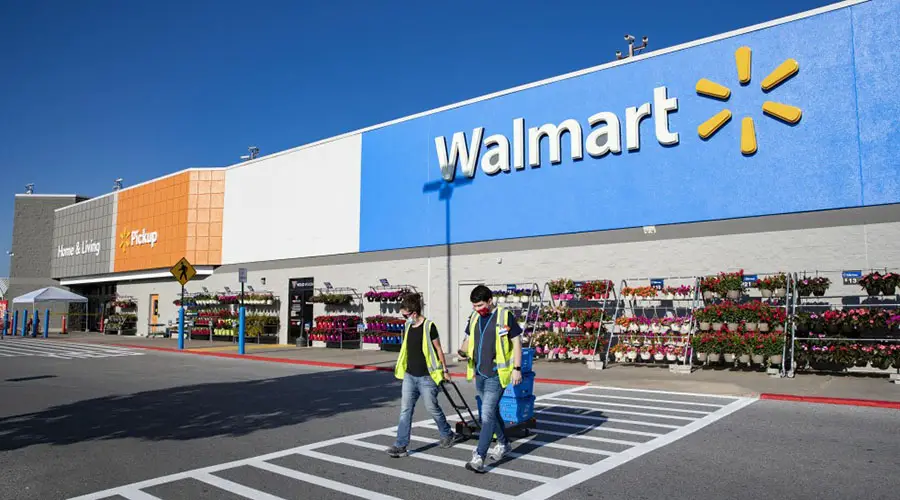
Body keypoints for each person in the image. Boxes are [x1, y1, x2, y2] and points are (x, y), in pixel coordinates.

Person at [459, 285, 523, 473]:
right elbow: (468, 339)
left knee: (486, 415)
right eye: (474, 306)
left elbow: (516, 342)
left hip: (497, 374)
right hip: (480, 373)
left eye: (480, 305)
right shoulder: (474, 317)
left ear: (490, 301)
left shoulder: (504, 316)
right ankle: (504, 444)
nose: (477, 309)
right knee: (492, 412)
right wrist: (462, 351)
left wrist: (517, 369)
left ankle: (479, 457)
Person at [386, 293, 457, 458]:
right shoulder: (408, 326)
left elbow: (438, 349)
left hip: (427, 377)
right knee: (405, 410)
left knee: (432, 408)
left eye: (405, 315)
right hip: (410, 375)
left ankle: (447, 433)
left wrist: (445, 370)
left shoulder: (429, 326)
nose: (404, 318)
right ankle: (401, 445)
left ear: (414, 313)